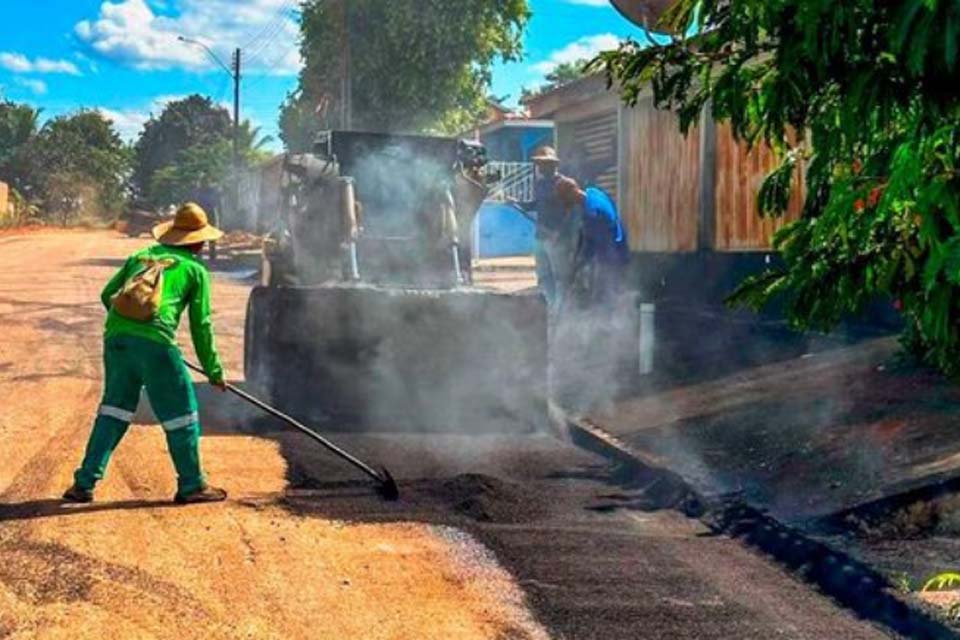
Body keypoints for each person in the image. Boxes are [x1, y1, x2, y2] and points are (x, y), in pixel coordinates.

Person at [63, 202, 229, 505]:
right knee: (182, 413)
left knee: (114, 409)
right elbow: (201, 325)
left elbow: (107, 295)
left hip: (116, 339)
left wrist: (129, 328)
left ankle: (84, 482)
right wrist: (214, 371)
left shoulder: (140, 256)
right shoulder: (195, 269)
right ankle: (192, 485)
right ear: (201, 242)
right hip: (156, 345)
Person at [512, 146, 579, 311]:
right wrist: (516, 202)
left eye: (545, 164)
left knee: (560, 278)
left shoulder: (565, 184)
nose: (541, 167)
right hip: (540, 237)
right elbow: (536, 205)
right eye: (539, 164)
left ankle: (561, 311)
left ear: (554, 165)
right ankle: (549, 309)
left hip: (557, 238)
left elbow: (573, 212)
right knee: (543, 276)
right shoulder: (540, 184)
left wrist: (560, 233)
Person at [556, 177, 630, 307]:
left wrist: (576, 267)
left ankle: (610, 322)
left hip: (612, 257)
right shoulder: (593, 192)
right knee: (607, 292)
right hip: (615, 248)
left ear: (572, 193)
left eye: (566, 200)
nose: (569, 205)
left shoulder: (593, 213)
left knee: (606, 293)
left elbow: (591, 246)